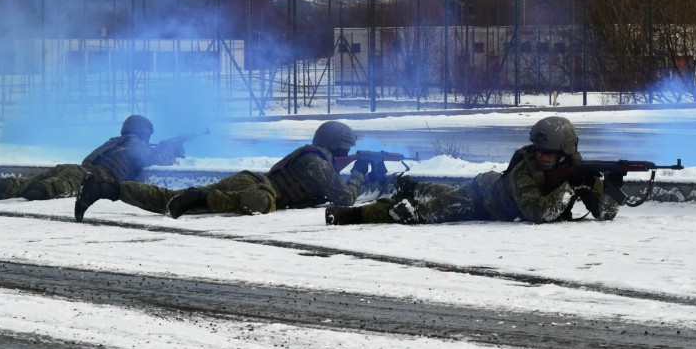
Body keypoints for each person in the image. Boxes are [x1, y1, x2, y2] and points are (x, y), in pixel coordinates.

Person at [326, 116, 621, 225]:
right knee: (421, 214)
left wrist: (609, 190)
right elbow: (537, 214)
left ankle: (414, 185)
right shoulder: (525, 170)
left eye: (550, 154)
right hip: (482, 198)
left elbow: (605, 213)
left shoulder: (574, 172)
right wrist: (571, 186)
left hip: (488, 193)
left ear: (566, 152)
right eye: (540, 151)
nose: (542, 157)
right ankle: (352, 215)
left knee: (441, 193)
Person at [74, 120, 386, 222]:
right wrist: (360, 172)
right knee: (259, 204)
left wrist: (369, 173)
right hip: (258, 187)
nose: (345, 156)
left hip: (251, 180)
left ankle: (108, 189)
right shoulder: (316, 161)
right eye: (345, 152)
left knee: (169, 200)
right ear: (337, 146)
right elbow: (343, 199)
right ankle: (201, 199)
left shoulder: (318, 159)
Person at [0, 115, 187, 207]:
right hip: (94, 176)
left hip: (79, 167)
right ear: (143, 133)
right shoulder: (137, 144)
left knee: (40, 178)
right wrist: (172, 150)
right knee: (48, 188)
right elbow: (156, 159)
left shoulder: (115, 141)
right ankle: (0, 188)